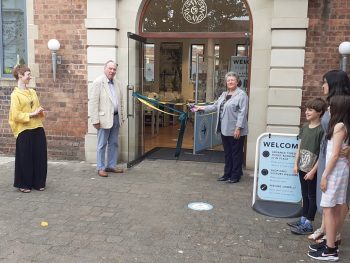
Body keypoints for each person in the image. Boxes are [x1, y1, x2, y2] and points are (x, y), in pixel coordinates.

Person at [308, 70, 350, 242]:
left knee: (340, 196)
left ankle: (334, 234)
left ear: (334, 83)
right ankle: (325, 229)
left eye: (325, 82)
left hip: (340, 156)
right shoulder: (333, 102)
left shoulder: (345, 103)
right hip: (328, 151)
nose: (323, 85)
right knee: (327, 195)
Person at [194, 71, 248, 183]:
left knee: (236, 153)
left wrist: (238, 128)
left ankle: (235, 175)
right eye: (228, 80)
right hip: (224, 129)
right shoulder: (224, 95)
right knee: (228, 153)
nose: (230, 82)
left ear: (237, 82)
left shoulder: (241, 95)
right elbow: (214, 106)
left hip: (236, 130)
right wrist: (200, 108)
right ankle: (227, 174)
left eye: (232, 80)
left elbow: (243, 113)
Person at [287, 98, 327, 235]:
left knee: (311, 195)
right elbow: (300, 146)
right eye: (307, 109)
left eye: (311, 110)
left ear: (320, 112)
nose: (307, 112)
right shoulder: (304, 127)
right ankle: (303, 218)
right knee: (304, 194)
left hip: (312, 170)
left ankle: (309, 223)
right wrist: (295, 163)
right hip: (301, 167)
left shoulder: (322, 130)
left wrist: (313, 171)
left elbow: (322, 153)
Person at [8, 64, 47, 193]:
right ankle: (24, 183)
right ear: (20, 76)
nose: (30, 77)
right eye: (28, 75)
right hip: (24, 130)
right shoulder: (15, 95)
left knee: (39, 156)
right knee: (25, 158)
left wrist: (39, 111)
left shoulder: (33, 92)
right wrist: (32, 114)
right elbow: (15, 115)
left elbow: (37, 107)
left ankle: (38, 182)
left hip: (37, 128)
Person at [89, 60, 125, 177]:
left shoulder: (117, 83)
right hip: (103, 120)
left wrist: (122, 117)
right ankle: (100, 167)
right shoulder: (98, 82)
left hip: (115, 118)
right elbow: (93, 103)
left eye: (114, 69)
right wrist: (95, 120)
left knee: (114, 143)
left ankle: (111, 166)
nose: (112, 71)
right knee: (102, 144)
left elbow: (121, 102)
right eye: (110, 68)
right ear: (105, 69)